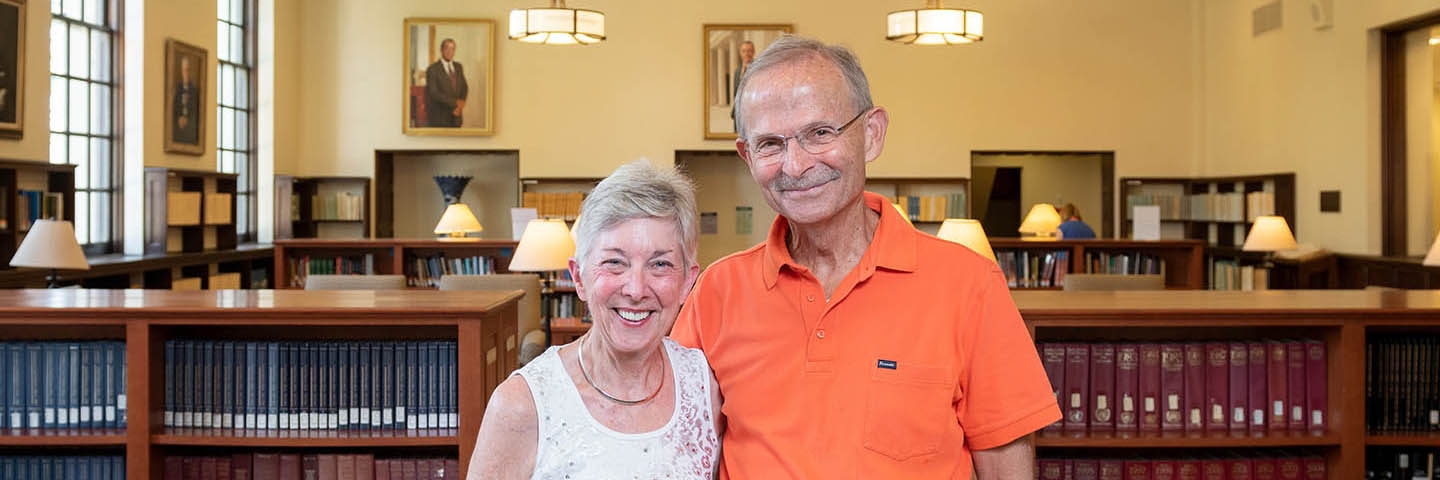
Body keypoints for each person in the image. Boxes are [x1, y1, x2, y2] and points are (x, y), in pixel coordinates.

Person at [671, 35, 1061, 479]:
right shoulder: (717, 292)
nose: (795, 165)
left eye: (820, 133)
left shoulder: (970, 284)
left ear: (872, 134)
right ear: (747, 156)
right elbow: (676, 447)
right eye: (771, 144)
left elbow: (1004, 466)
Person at [467, 161, 722, 479]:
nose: (636, 289)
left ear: (687, 281)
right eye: (615, 262)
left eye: (660, 264)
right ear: (579, 277)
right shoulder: (521, 405)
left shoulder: (704, 388)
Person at [425, 38, 468, 128]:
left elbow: (464, 87)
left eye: (452, 49)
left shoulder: (458, 67)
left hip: (456, 117)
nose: (450, 52)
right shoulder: (432, 69)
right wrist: (455, 103)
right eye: (447, 48)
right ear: (441, 50)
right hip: (440, 119)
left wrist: (460, 106)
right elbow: (434, 93)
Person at [172, 56, 199, 145]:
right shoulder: (178, 88)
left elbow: (195, 109)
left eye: (187, 70)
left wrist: (187, 118)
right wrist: (180, 117)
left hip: (190, 127)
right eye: (184, 70)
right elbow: (174, 107)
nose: (185, 73)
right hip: (178, 126)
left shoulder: (194, 90)